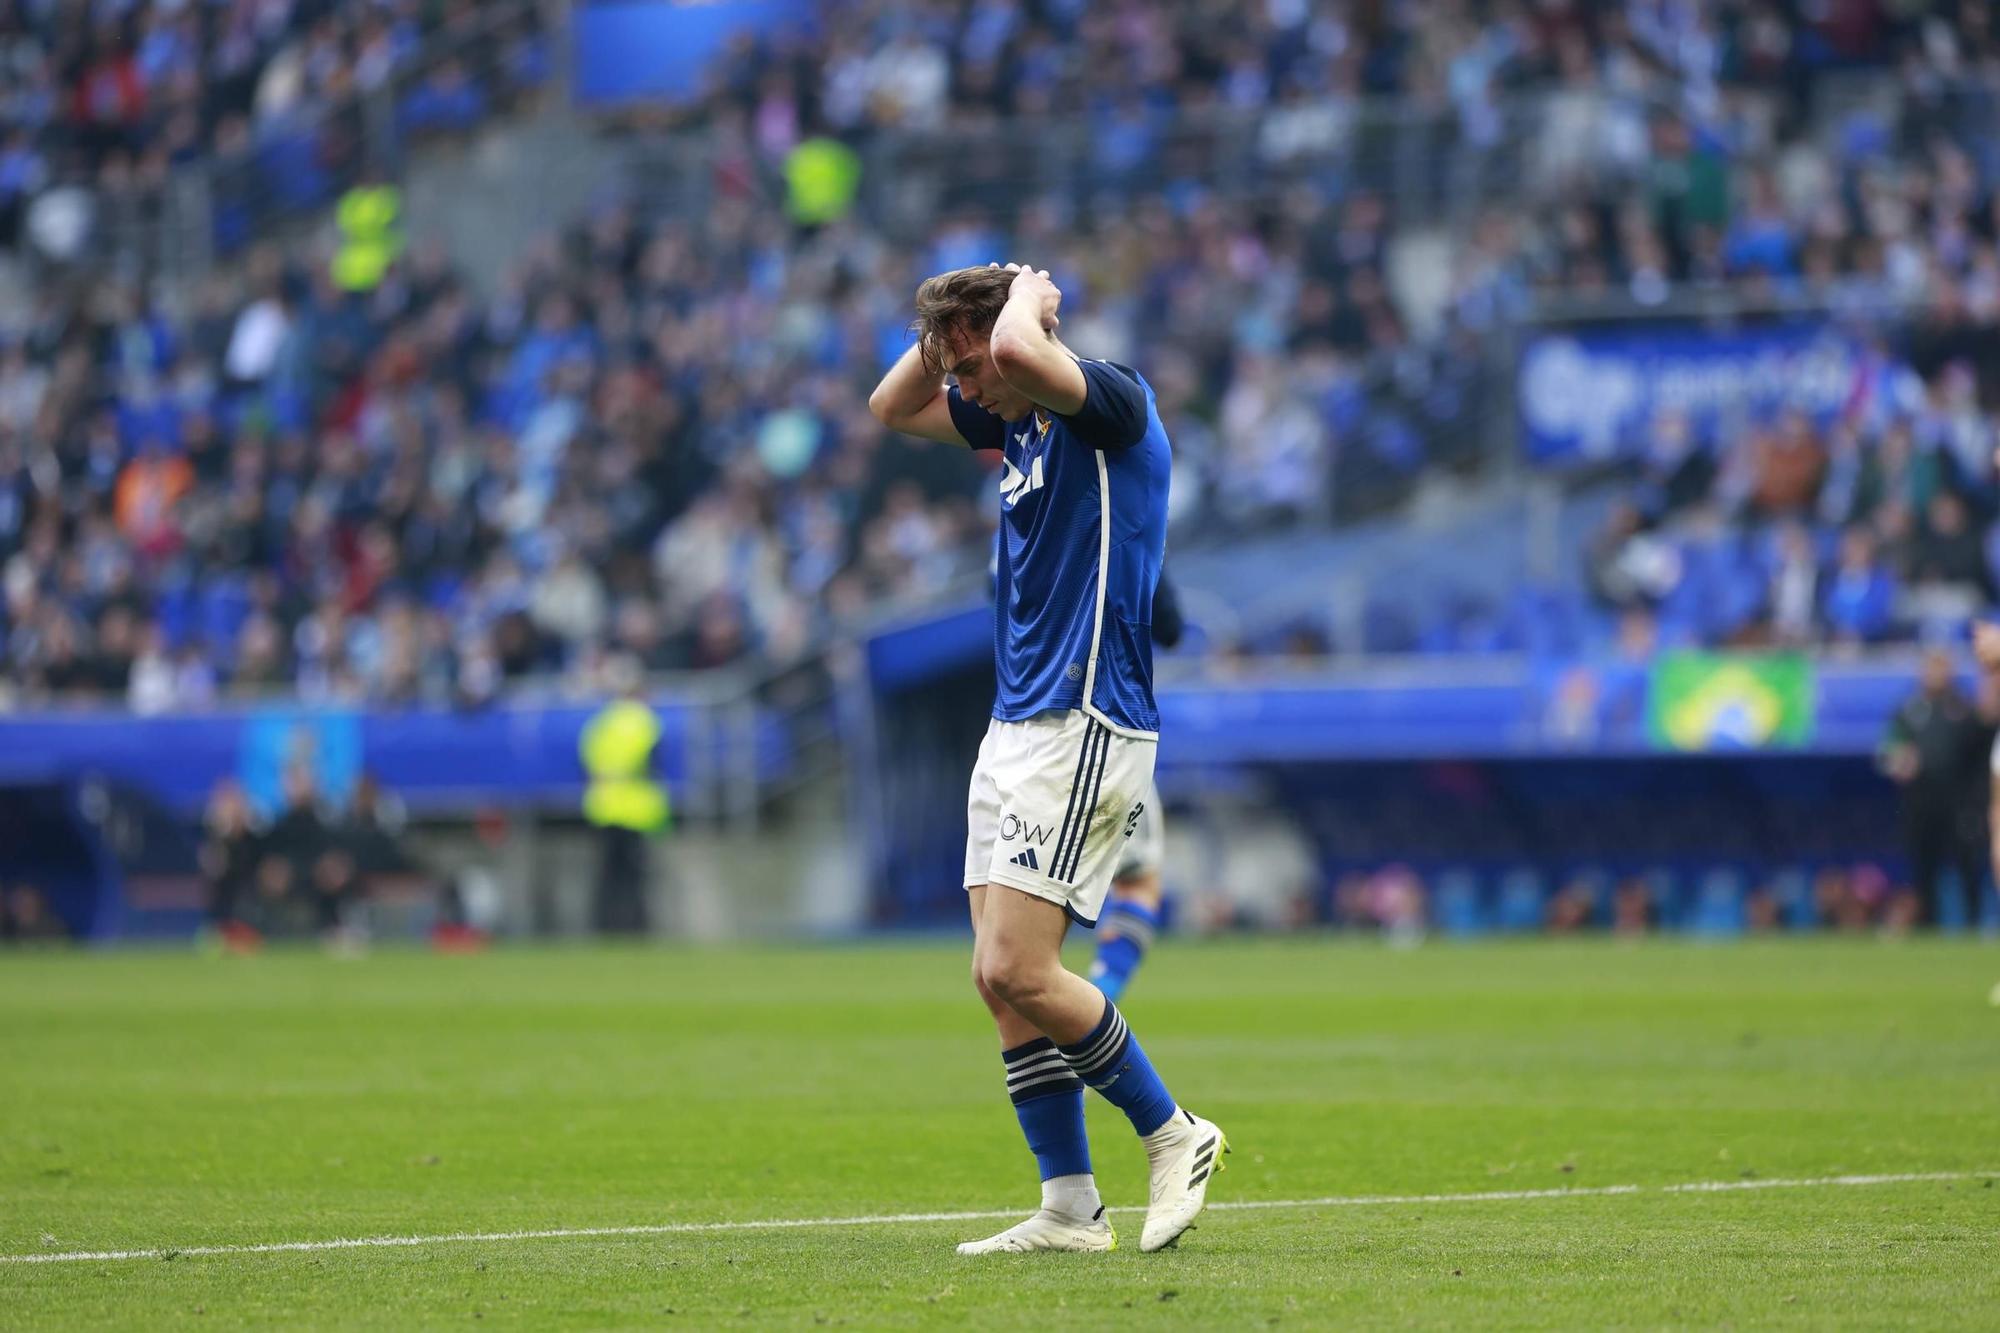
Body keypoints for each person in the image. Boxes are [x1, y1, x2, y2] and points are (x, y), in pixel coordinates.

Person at [870, 262, 1225, 1256]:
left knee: (1017, 965)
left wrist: (1027, 300)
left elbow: (1024, 352)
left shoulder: (1105, 400)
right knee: (996, 980)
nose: (965, 385)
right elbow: (887, 406)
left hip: (1084, 716)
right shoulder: (1011, 418)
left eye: (971, 362)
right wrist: (948, 340)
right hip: (1015, 721)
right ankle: (1069, 1203)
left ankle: (1173, 1132)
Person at [1088, 568, 1183, 1000]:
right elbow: (1170, 628)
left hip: (1023, 732)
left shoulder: (1015, 529)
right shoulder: (1126, 530)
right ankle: (1096, 999)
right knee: (1138, 879)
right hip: (1106, 729)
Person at [1878, 647, 1991, 928]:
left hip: (1960, 802)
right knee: (1923, 865)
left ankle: (1973, 923)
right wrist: (1898, 761)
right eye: (1932, 668)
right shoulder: (1909, 709)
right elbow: (1889, 749)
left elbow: (1984, 749)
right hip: (1920, 801)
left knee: (1966, 864)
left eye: (1942, 668)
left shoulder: (1963, 709)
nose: (1937, 674)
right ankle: (1928, 925)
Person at [579, 655, 670, 935]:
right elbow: (654, 764)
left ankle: (604, 927)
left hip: (603, 806)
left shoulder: (601, 722)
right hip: (635, 809)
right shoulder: (645, 721)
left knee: (607, 875)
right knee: (635, 877)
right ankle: (635, 928)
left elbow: (588, 761)